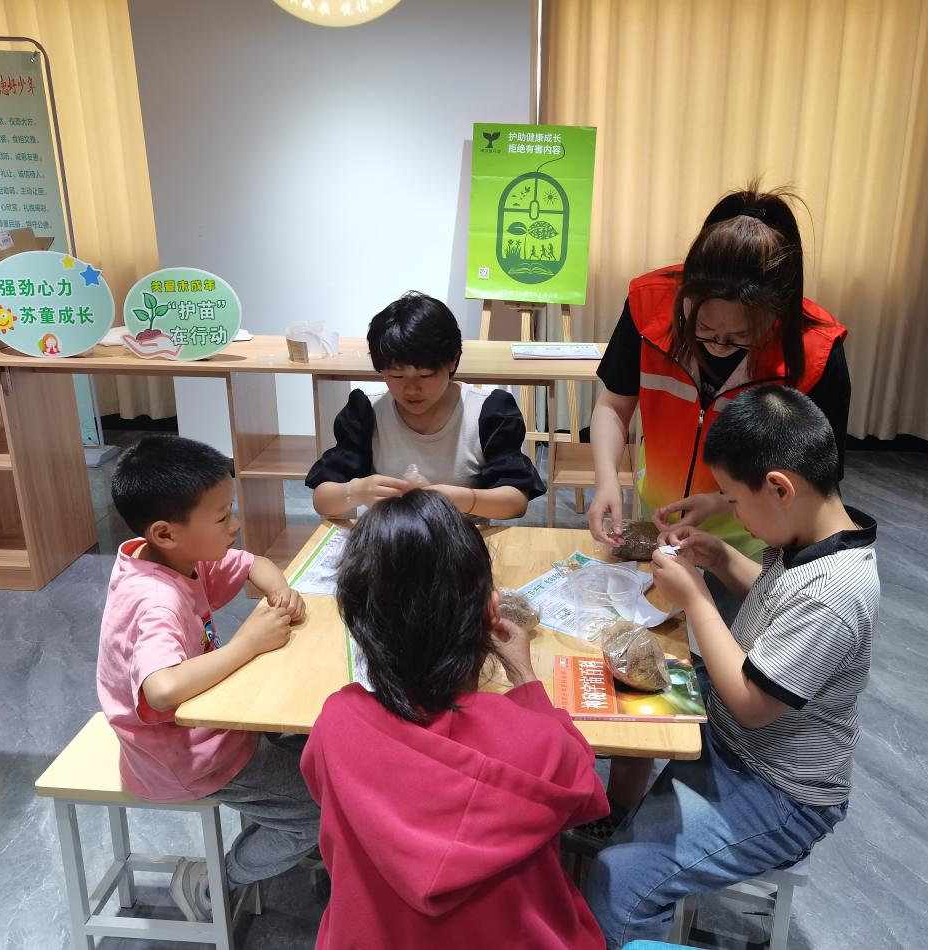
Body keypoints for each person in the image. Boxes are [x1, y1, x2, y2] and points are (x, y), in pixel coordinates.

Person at [584, 387, 879, 947]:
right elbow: (775, 597)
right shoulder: (814, 538)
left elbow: (752, 704)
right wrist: (720, 558)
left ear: (779, 488)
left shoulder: (835, 593)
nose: (733, 514)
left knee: (620, 886)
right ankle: (622, 822)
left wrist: (696, 598)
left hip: (779, 790)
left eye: (735, 502)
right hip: (736, 745)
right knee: (630, 678)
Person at [300, 490, 609, 949]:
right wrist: (525, 678)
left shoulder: (336, 725)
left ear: (359, 625)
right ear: (491, 611)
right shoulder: (535, 741)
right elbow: (584, 790)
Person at [97, 435, 320, 922]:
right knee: (317, 812)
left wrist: (281, 590)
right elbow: (161, 689)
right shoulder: (155, 600)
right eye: (222, 518)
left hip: (210, 726)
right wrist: (246, 645)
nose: (234, 524)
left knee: (322, 750)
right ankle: (216, 882)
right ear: (165, 532)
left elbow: (254, 564)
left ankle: (289, 838)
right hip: (186, 757)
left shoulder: (173, 556)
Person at [587, 184, 851, 558]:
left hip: (759, 540)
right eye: (704, 329)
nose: (718, 346)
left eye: (740, 337)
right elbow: (614, 405)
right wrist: (607, 480)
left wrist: (722, 501)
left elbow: (816, 480)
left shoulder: (817, 350)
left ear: (777, 312)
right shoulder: (649, 306)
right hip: (662, 521)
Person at [306, 292, 544, 520]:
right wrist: (356, 492)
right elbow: (322, 501)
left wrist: (457, 499)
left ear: (452, 361)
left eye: (425, 375)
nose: (411, 389)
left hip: (462, 539)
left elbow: (515, 502)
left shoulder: (487, 412)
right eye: (397, 376)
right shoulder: (367, 412)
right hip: (389, 537)